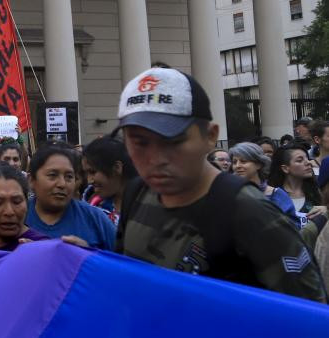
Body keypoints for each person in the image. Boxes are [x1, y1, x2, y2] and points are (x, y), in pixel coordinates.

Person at [114, 66, 325, 302]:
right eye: (139, 142)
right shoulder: (135, 193)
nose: (155, 159)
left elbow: (310, 316)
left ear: (211, 136)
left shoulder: (249, 213)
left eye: (172, 141)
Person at [24, 144, 116, 249]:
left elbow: (123, 263)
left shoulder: (96, 219)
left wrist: (86, 254)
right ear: (31, 180)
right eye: (52, 175)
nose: (62, 184)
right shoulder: (17, 217)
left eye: (69, 177)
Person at [229, 142, 299, 226]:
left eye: (243, 161)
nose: (237, 166)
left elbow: (293, 226)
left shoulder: (276, 194)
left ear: (259, 164)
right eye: (234, 162)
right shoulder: (230, 194)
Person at [82, 136, 136, 225]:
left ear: (117, 167)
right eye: (86, 173)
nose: (89, 181)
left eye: (92, 172)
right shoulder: (92, 205)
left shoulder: (149, 205)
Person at [268, 146, 324, 225]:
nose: (308, 162)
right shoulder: (273, 195)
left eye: (307, 158)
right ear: (285, 168)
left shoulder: (319, 190)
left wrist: (326, 210)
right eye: (300, 160)